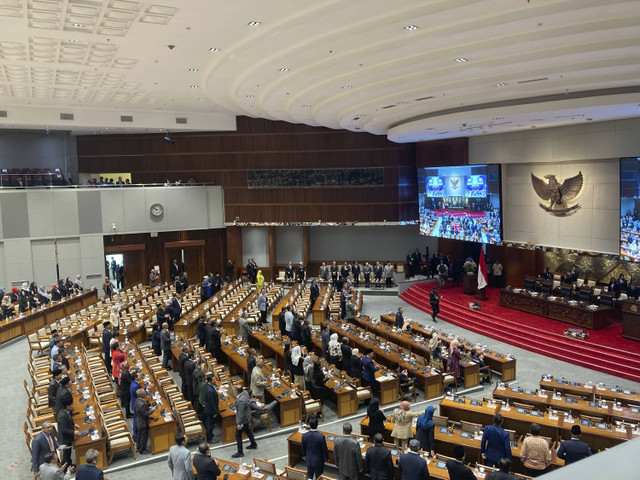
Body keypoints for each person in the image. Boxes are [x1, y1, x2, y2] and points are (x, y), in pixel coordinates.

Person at [231, 387, 258, 457]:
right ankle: (253, 444)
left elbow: (240, 413)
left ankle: (240, 452)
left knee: (238, 435)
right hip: (247, 417)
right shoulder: (245, 393)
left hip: (243, 420)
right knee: (248, 430)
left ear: (237, 391)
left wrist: (239, 423)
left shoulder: (241, 401)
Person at [302, 415, 328, 480]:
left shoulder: (304, 435)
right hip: (318, 461)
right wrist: (327, 458)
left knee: (310, 477)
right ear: (317, 425)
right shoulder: (321, 437)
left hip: (309, 460)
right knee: (319, 477)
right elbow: (324, 449)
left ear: (309, 425)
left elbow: (303, 447)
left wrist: (304, 455)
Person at [57, 397, 80, 468]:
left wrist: (73, 425)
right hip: (65, 439)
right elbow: (64, 429)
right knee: (66, 455)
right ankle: (66, 469)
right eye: (71, 405)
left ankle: (70, 465)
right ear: (67, 406)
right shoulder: (63, 416)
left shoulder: (64, 412)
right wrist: (74, 432)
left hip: (67, 437)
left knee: (68, 454)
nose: (72, 406)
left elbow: (68, 421)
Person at [135, 388, 153, 454]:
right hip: (142, 422)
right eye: (144, 393)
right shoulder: (141, 404)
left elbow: (142, 408)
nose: (146, 394)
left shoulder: (137, 400)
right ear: (142, 395)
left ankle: (138, 446)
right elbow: (145, 414)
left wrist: (147, 406)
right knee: (143, 437)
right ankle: (142, 450)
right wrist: (151, 411)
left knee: (139, 435)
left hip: (138, 421)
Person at [204, 373, 219, 444]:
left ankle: (208, 435)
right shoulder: (210, 391)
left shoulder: (208, 385)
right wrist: (215, 412)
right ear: (209, 381)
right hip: (210, 410)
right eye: (213, 380)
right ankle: (209, 439)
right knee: (210, 424)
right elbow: (212, 403)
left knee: (208, 423)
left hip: (208, 408)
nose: (215, 381)